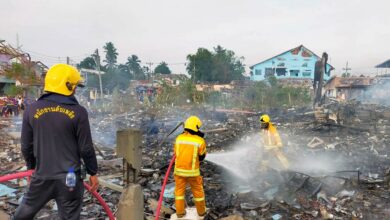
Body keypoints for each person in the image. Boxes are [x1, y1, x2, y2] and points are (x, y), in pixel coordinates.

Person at [14, 64, 99, 220]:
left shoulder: (31, 109)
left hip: (41, 177)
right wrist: (93, 172)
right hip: (70, 179)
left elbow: (26, 146)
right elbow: (85, 148)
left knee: (21, 216)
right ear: (68, 86)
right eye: (75, 86)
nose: (75, 90)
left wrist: (31, 168)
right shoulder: (79, 112)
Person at [174, 116, 207, 218]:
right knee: (198, 192)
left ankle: (180, 213)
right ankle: (201, 212)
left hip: (179, 172)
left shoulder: (178, 138)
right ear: (196, 127)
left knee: (179, 192)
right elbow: (202, 157)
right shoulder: (200, 141)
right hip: (193, 173)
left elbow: (176, 153)